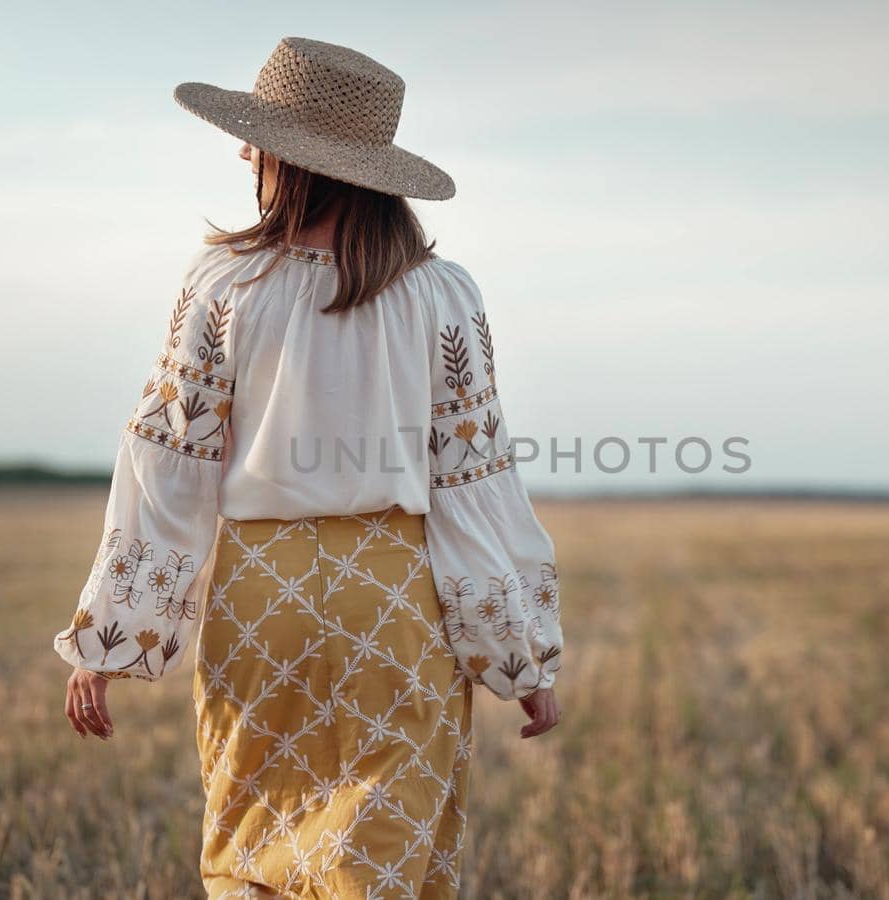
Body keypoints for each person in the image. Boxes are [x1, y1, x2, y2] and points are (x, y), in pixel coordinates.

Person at [49, 36, 563, 899]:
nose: (244, 156)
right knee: (385, 855)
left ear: (289, 162)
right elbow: (475, 486)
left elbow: (167, 467)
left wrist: (108, 636)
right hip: (395, 601)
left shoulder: (221, 283)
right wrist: (520, 657)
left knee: (254, 843)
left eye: (254, 144)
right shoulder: (444, 294)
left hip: (261, 598)